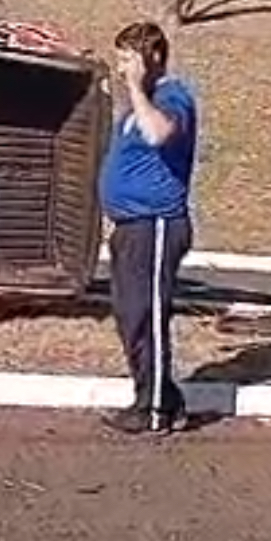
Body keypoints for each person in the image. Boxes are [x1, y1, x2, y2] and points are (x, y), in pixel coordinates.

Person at [98, 22, 198, 435]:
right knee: (128, 315)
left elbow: (160, 135)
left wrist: (138, 89)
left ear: (151, 57)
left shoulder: (174, 97)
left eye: (127, 59)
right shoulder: (135, 108)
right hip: (129, 226)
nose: (122, 69)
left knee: (147, 315)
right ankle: (162, 396)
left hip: (156, 223)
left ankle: (154, 410)